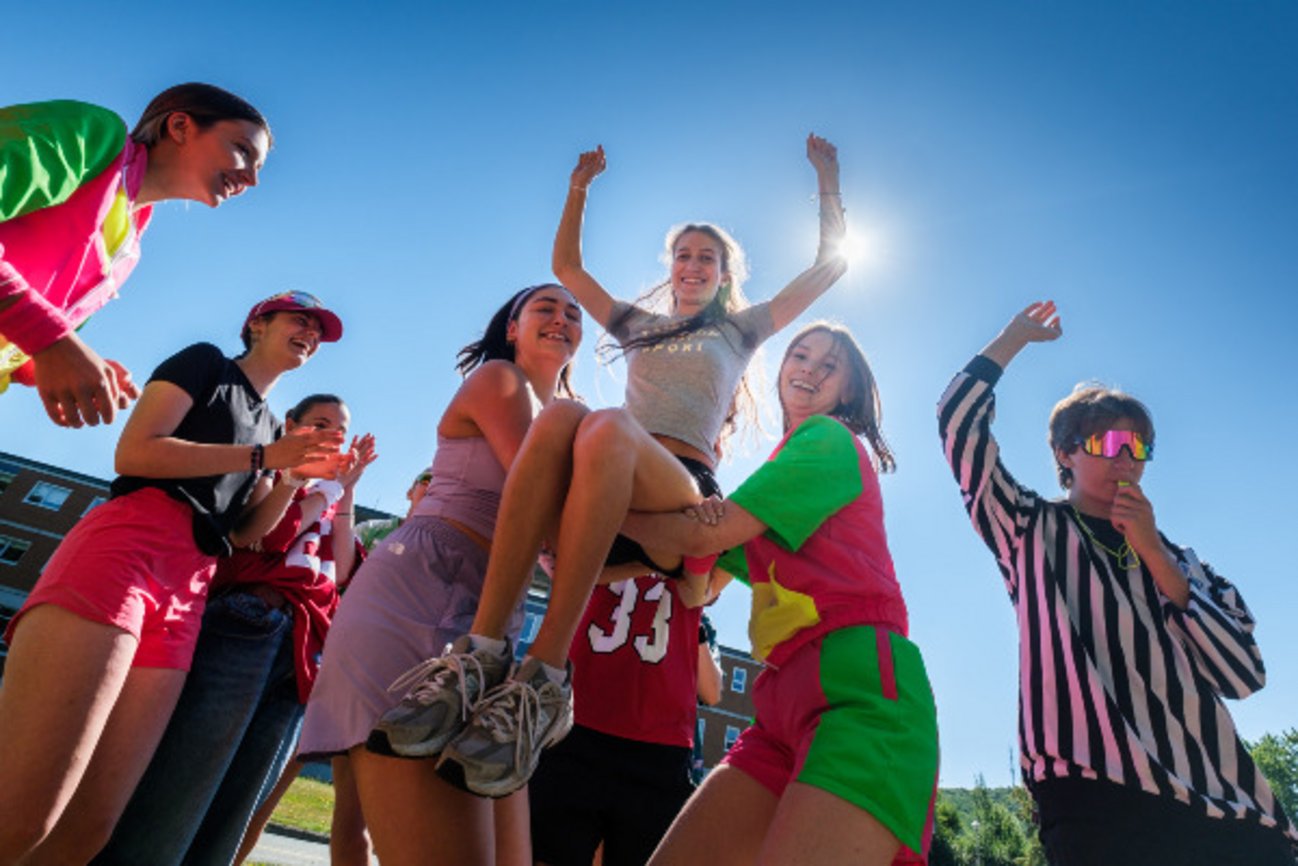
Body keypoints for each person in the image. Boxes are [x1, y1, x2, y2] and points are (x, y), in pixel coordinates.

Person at [380, 134, 849, 800]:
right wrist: (580, 186)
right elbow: (567, 267)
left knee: (597, 422)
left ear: (723, 274)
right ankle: (485, 658)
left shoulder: (737, 331)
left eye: (707, 258)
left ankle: (545, 674)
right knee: (564, 419)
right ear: (671, 267)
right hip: (611, 475)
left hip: (680, 490)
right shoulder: (637, 325)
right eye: (683, 255)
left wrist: (827, 178)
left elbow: (828, 269)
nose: (693, 266)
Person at [936, 301, 1298, 865]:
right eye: (1106, 445)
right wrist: (1011, 339)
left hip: (1225, 804)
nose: (1125, 460)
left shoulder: (1186, 562)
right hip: (1094, 795)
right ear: (1064, 453)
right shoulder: (1029, 528)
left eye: (1138, 448)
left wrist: (1153, 552)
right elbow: (958, 423)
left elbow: (1243, 674)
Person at [0, 290, 344, 865]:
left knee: (90, 827)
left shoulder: (265, 426)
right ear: (257, 323)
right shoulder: (205, 363)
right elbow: (136, 451)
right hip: (127, 552)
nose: (310, 331)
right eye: (298, 319)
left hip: (191, 586)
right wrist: (264, 458)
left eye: (319, 329)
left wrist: (288, 476)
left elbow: (244, 534)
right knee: (28, 811)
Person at [618, 322, 938, 865]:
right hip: (780, 707)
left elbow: (704, 536)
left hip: (858, 694)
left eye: (828, 365)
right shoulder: (775, 476)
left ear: (848, 391)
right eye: (800, 354)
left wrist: (603, 512)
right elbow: (698, 589)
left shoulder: (829, 440)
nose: (809, 369)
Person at [297, 284, 582, 866]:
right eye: (545, 308)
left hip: (488, 619)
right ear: (512, 328)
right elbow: (553, 514)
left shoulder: (563, 424)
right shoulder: (500, 383)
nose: (562, 318)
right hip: (421, 585)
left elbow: (560, 547)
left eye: (573, 314)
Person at [95, 394, 377, 866]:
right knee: (183, 783)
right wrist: (325, 489)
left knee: (238, 802)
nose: (333, 435)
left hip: (303, 650)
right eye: (321, 423)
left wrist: (345, 491)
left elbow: (343, 570)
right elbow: (270, 536)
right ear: (290, 426)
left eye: (340, 430)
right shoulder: (268, 476)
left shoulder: (329, 504)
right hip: (248, 621)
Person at [0, 82, 271, 427]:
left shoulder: (129, 248)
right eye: (243, 149)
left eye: (259, 167)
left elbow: (25, 340)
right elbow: (42, 330)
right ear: (179, 126)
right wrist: (52, 340)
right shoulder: (93, 135)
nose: (252, 179)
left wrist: (76, 368)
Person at [232, 465, 431, 866]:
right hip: (326, 664)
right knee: (261, 790)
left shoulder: (443, 549)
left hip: (387, 685)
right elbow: (336, 577)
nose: (435, 491)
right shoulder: (376, 533)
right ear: (410, 490)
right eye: (428, 482)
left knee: (357, 812)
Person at [527, 573, 723, 866]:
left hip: (658, 745)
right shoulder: (609, 551)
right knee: (552, 847)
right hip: (577, 725)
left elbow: (713, 692)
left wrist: (696, 622)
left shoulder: (697, 615)